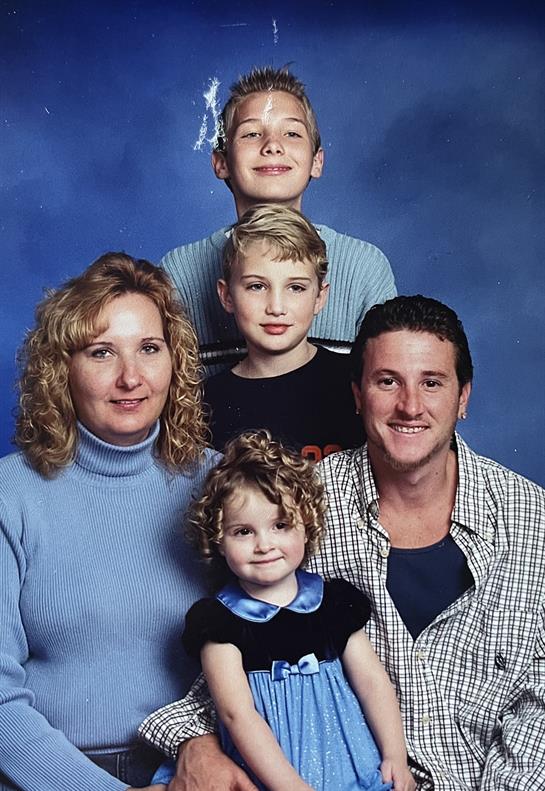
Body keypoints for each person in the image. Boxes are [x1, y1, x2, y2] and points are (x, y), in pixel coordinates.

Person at [139, 295, 545, 790]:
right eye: (387, 381)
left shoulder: (531, 519)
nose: (410, 406)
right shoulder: (296, 507)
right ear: (357, 395)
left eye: (432, 383)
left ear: (463, 397)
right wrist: (194, 743)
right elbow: (234, 671)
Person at [0, 253, 224, 791]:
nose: (131, 377)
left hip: (196, 768)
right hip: (47, 773)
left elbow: (268, 646)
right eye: (102, 352)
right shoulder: (11, 494)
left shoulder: (221, 483)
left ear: (175, 361)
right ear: (61, 368)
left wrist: (204, 744)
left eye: (149, 348)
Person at [150, 431, 414, 791]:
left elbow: (372, 681)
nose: (264, 545)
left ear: (307, 527)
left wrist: (395, 755)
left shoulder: (333, 603)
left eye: (280, 525)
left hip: (351, 761)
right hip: (270, 770)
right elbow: (236, 714)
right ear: (218, 540)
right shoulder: (219, 622)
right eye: (243, 531)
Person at [161, 65, 396, 373]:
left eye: (292, 133)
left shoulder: (364, 266)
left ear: (317, 161)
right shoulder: (180, 271)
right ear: (221, 162)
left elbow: (388, 380)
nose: (272, 145)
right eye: (252, 134)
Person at [204, 202, 364, 458]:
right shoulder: (206, 403)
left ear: (320, 297)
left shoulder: (355, 382)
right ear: (226, 296)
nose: (276, 308)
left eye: (296, 288)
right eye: (257, 286)